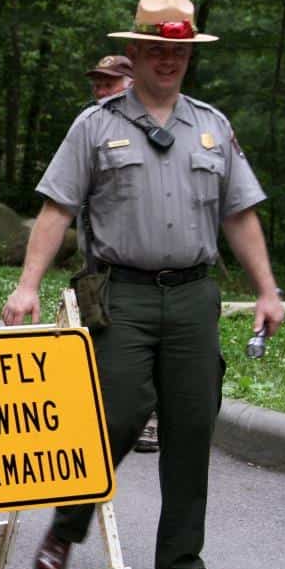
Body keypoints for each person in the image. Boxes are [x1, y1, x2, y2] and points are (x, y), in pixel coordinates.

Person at [1, 0, 284, 569]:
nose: (167, 59)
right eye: (157, 48)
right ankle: (65, 530)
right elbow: (57, 210)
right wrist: (27, 285)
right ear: (135, 51)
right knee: (118, 413)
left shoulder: (211, 126)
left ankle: (181, 559)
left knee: (190, 424)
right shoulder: (96, 125)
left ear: (188, 55)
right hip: (121, 294)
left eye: (178, 49)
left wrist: (267, 290)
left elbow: (240, 214)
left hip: (192, 298)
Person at [86, 55, 159, 454]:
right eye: (97, 83)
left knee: (145, 340)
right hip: (101, 255)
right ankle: (103, 415)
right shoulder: (92, 125)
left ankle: (148, 421)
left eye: (109, 83)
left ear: (131, 83)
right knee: (101, 331)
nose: (101, 91)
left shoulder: (161, 126)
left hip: (149, 261)